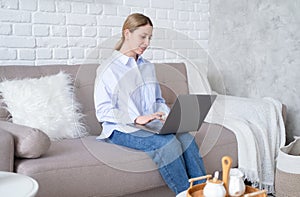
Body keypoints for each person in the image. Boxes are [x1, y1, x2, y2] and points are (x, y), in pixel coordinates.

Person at [94, 13, 206, 195]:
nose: (146, 43)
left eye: (149, 38)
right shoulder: (108, 68)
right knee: (167, 143)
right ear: (127, 34)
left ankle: (203, 191)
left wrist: (166, 116)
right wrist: (136, 117)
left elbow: (158, 101)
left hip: (150, 125)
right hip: (120, 128)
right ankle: (185, 193)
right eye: (142, 37)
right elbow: (103, 111)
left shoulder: (148, 67)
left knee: (186, 138)